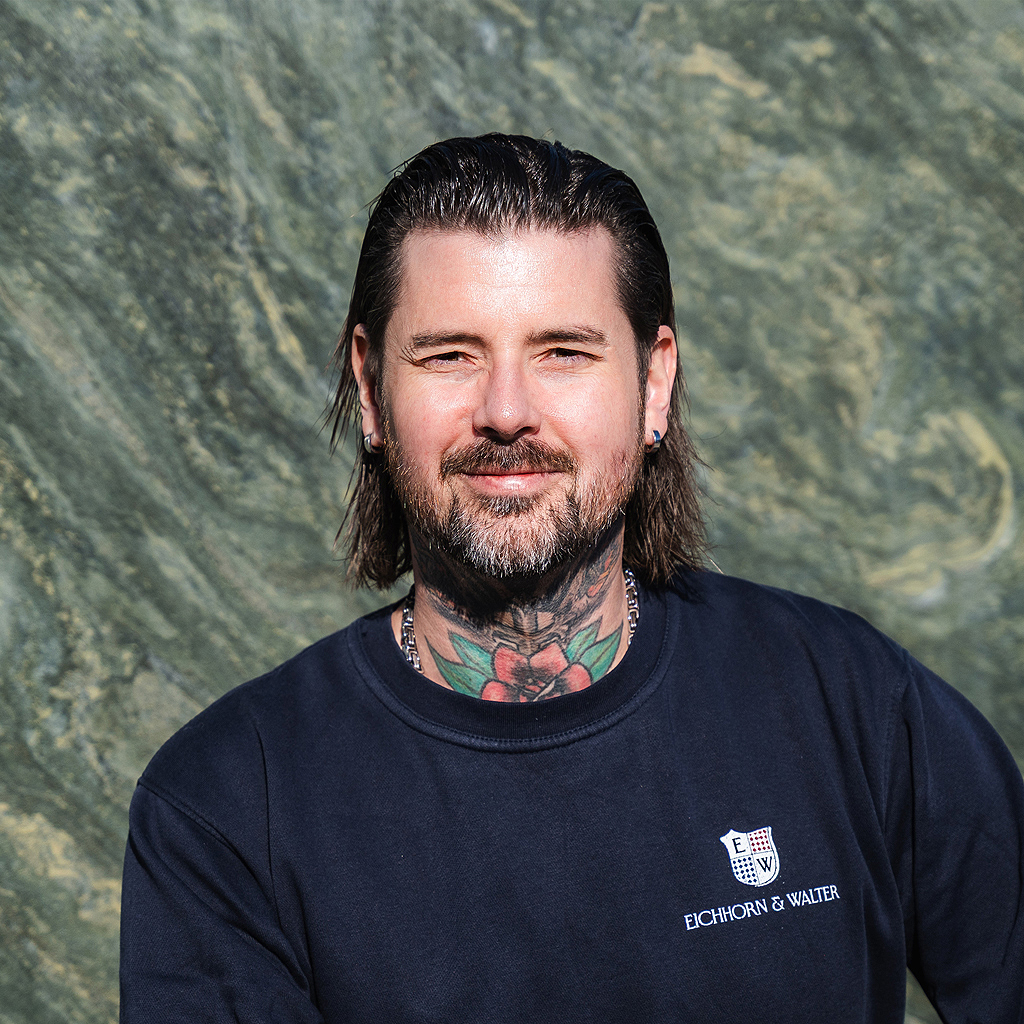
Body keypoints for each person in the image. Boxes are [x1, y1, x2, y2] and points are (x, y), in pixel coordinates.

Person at [119, 134, 1024, 1022]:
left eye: (563, 351)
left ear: (653, 383)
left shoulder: (851, 702)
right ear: (371, 387)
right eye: (450, 354)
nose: (507, 412)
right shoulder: (228, 803)